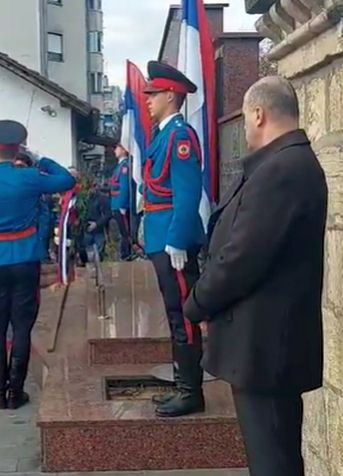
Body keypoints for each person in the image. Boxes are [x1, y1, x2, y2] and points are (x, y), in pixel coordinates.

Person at [183, 77, 327, 476]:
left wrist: (196, 303)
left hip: (266, 348)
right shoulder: (282, 164)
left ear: (259, 114)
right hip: (264, 345)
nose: (246, 127)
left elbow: (241, 258)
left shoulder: (283, 170)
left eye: (247, 118)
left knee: (273, 462)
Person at [0, 120, 75, 409]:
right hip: (25, 258)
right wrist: (40, 159)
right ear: (17, 150)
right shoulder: (29, 177)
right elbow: (66, 180)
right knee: (22, 326)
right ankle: (16, 392)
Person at [141, 60, 207, 418]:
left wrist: (178, 239)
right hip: (161, 236)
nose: (148, 99)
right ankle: (182, 384)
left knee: (184, 315)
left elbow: (188, 191)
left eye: (153, 93)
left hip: (172, 241)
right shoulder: (163, 135)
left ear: (170, 95)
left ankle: (191, 392)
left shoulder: (180, 137)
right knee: (174, 313)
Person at [109, 144, 134, 260]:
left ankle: (127, 255)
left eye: (117, 148)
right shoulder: (119, 166)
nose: (115, 150)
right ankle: (125, 255)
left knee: (126, 233)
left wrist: (123, 205)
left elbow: (124, 186)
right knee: (122, 232)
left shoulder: (125, 166)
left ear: (124, 150)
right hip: (116, 203)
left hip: (121, 204)